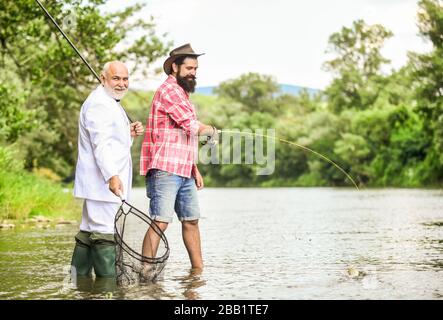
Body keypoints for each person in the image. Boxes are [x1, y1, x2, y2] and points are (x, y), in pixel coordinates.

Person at [140, 44, 217, 270]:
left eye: (195, 68)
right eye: (189, 68)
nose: (193, 72)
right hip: (165, 169)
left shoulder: (182, 93)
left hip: (184, 170)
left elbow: (183, 136)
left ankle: (198, 271)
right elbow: (190, 125)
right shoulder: (169, 90)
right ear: (175, 67)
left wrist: (194, 169)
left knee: (191, 221)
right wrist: (210, 130)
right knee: (160, 221)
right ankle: (146, 271)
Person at [71, 61, 144, 278]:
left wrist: (128, 132)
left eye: (125, 78)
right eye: (116, 78)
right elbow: (100, 144)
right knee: (104, 233)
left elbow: (113, 142)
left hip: (103, 184)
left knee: (87, 231)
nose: (122, 83)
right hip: (103, 184)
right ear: (103, 79)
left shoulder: (110, 101)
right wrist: (112, 176)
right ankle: (108, 287)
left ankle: (78, 282)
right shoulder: (99, 104)